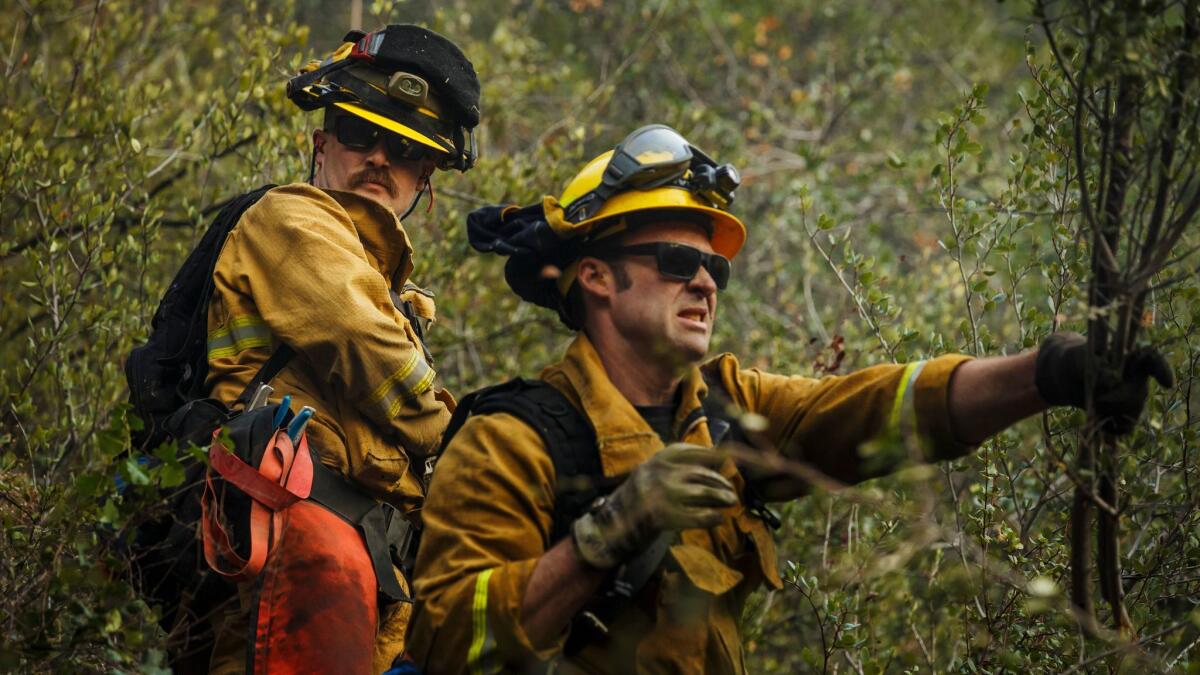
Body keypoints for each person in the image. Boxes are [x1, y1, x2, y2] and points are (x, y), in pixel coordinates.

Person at [406, 124, 1173, 673]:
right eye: (677, 259)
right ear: (595, 277)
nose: (705, 282)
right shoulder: (513, 439)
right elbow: (446, 641)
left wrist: (1048, 372)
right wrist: (606, 533)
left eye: (716, 269)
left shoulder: (727, 408)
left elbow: (880, 408)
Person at [200, 25, 479, 674]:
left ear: (425, 177)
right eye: (359, 134)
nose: (380, 156)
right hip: (293, 552)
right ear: (322, 146)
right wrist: (467, 440)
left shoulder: (395, 297)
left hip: (363, 588)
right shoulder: (290, 218)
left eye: (406, 146)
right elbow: (365, 347)